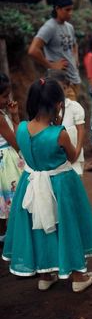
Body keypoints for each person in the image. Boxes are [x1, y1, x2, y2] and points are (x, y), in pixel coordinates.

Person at [2, 78, 92, 292]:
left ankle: (46, 274)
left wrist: (15, 116)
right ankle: (77, 276)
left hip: (30, 184)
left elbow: (23, 147)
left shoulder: (20, 128)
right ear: (58, 104)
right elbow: (73, 157)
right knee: (67, 225)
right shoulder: (60, 134)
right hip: (61, 185)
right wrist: (78, 138)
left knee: (39, 225)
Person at [45, 69, 92, 173]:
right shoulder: (44, 109)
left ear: (68, 88)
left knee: (74, 181)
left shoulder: (74, 107)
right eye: (55, 89)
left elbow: (81, 130)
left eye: (64, 88)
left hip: (74, 154)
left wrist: (77, 152)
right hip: (54, 158)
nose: (59, 93)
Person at [28, 0, 81, 101]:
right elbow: (33, 50)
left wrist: (75, 60)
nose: (70, 13)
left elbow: (74, 45)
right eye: (67, 10)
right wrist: (51, 65)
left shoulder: (69, 27)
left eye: (72, 9)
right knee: (67, 114)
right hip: (60, 81)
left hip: (75, 79)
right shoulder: (50, 27)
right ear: (57, 9)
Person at [0, 72, 24, 242]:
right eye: (3, 96)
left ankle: (3, 236)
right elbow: (17, 142)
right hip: (7, 163)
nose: (7, 99)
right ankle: (13, 238)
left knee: (3, 205)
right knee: (15, 202)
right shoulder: (0, 118)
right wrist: (15, 117)